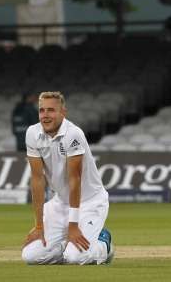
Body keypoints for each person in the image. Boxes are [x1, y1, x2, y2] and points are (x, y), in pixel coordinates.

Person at [21, 91, 114, 265]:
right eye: (42, 111)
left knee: (75, 258)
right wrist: (39, 226)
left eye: (51, 110)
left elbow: (74, 180)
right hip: (60, 203)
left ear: (63, 112)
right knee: (30, 256)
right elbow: (37, 180)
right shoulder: (32, 133)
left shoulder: (73, 134)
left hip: (90, 202)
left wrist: (73, 225)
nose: (45, 115)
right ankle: (66, 247)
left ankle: (104, 244)